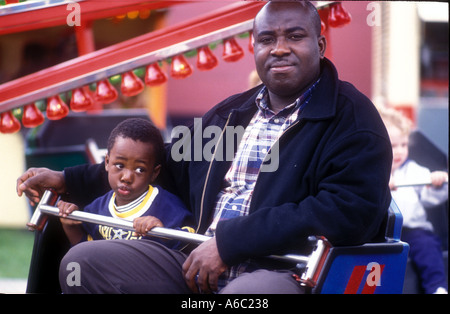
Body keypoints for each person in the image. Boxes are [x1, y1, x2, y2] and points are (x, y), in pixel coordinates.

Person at [17, 0, 392, 294]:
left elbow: (346, 210)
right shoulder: (233, 115)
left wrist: (229, 244)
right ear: (253, 47)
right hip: (192, 262)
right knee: (82, 263)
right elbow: (160, 164)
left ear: (320, 44)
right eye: (267, 39)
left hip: (282, 270)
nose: (279, 49)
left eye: (295, 36)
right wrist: (66, 180)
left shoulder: (351, 119)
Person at [56, 118, 194, 247]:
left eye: (140, 169)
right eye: (120, 166)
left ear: (154, 173)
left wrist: (162, 232)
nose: (127, 177)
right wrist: (70, 225)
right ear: (107, 163)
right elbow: (84, 249)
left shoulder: (167, 205)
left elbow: (190, 242)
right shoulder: (97, 207)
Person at [379, 107, 448, 294]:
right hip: (382, 233)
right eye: (394, 146)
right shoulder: (374, 171)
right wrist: (382, 184)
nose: (400, 151)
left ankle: (437, 287)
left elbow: (430, 198)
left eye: (404, 145)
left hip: (412, 230)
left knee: (428, 246)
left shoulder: (413, 170)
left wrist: (437, 184)